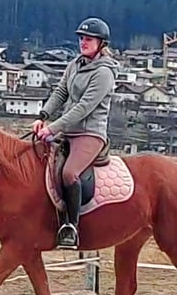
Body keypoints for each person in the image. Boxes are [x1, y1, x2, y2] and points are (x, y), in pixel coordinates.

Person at [33, 17, 119, 249]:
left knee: (70, 173)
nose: (83, 42)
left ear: (101, 43)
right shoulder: (75, 64)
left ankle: (71, 228)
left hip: (90, 133)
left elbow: (84, 108)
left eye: (88, 39)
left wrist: (53, 127)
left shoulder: (104, 73)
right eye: (81, 38)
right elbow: (61, 92)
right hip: (67, 130)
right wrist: (43, 116)